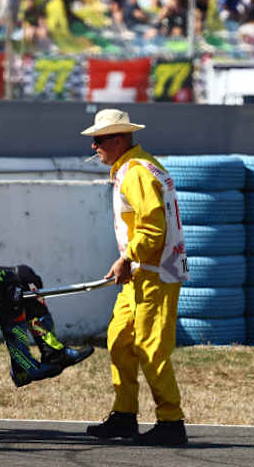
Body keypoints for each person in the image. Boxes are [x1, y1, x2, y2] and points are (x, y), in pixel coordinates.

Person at [81, 109, 189, 447]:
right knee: (119, 339)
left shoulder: (136, 172)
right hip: (142, 272)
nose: (94, 146)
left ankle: (171, 422)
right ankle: (124, 416)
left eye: (98, 140)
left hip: (155, 272)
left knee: (150, 347)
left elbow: (153, 228)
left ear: (118, 139)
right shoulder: (136, 166)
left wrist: (127, 257)